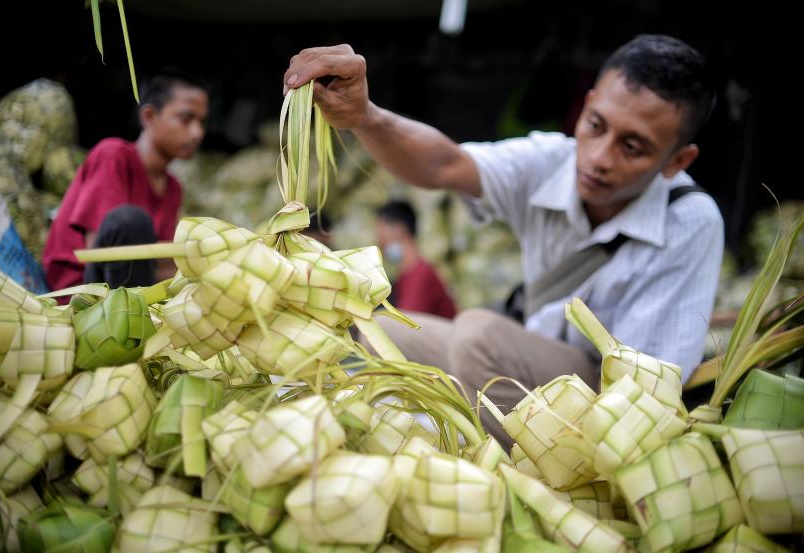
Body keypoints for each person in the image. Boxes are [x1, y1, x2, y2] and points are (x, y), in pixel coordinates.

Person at [283, 36, 723, 429]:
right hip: (520, 365)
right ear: (587, 106)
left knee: (478, 337)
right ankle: (434, 427)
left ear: (676, 162)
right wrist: (365, 116)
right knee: (380, 330)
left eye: (632, 146)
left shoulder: (691, 221)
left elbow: (649, 392)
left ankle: (500, 462)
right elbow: (444, 164)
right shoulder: (551, 159)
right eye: (596, 126)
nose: (599, 158)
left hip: (605, 402)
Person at [42, 71, 209, 291]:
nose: (197, 133)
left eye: (202, 122)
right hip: (80, 292)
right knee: (130, 222)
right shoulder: (112, 156)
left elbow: (163, 265)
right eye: (186, 119)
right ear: (149, 116)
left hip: (132, 288)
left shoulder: (173, 188)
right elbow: (104, 255)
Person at [377, 200, 456, 319]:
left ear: (397, 230)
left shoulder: (421, 274)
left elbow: (405, 326)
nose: (378, 241)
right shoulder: (404, 279)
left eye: (380, 231)